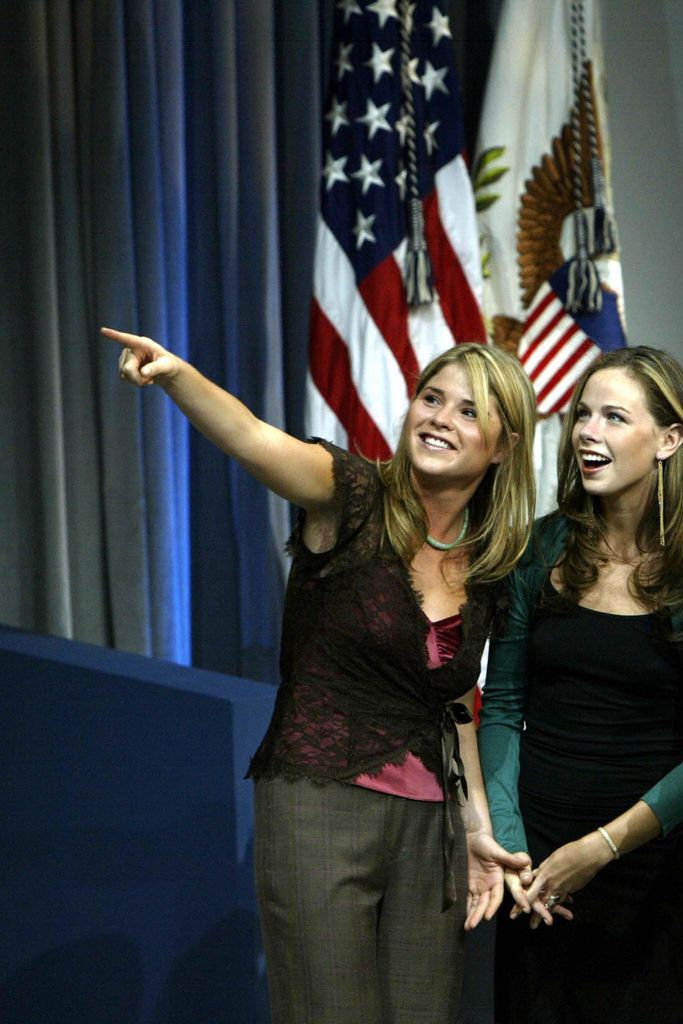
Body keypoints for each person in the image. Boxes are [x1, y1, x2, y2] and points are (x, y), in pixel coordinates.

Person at [104, 327, 538, 1024]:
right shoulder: (352, 495)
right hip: (321, 802)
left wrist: (476, 827)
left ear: (505, 444)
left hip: (431, 829)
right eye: (431, 398)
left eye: (467, 411)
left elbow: (452, 701)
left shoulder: (489, 560)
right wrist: (176, 374)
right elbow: (250, 437)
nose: (438, 418)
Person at [479, 345, 683, 1022]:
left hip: (655, 882)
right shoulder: (536, 551)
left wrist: (598, 850)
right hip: (537, 880)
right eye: (582, 414)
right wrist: (513, 849)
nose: (587, 431)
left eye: (613, 417)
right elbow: (500, 706)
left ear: (668, 439)